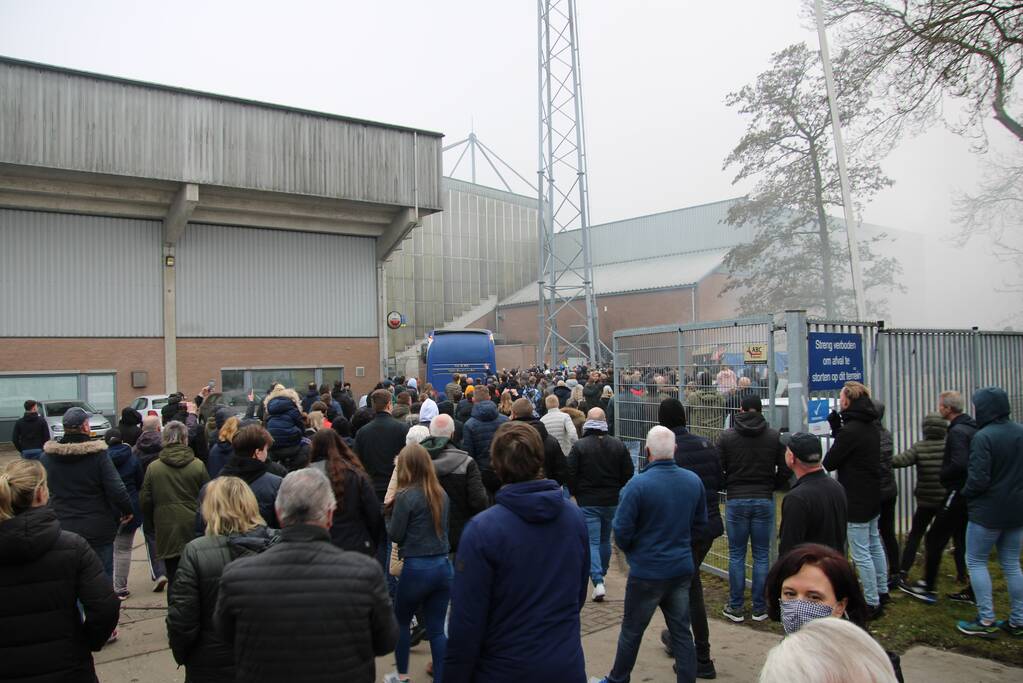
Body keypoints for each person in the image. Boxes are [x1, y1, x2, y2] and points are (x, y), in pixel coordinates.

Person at [214, 468, 398, 683]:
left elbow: (226, 635)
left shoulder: (237, 577)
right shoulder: (365, 573)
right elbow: (385, 641)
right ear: (329, 515)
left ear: (279, 513)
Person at [443, 422, 589, 682]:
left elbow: (466, 624)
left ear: (496, 466)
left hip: (503, 669)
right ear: (539, 459)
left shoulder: (482, 531)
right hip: (564, 664)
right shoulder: (574, 518)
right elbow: (577, 595)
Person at [600, 425, 709, 683]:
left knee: (632, 631)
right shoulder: (693, 481)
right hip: (680, 568)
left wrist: (634, 551)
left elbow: (621, 530)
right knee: (681, 632)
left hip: (647, 572)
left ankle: (618, 678)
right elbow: (700, 525)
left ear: (647, 451)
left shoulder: (637, 486)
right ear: (675, 449)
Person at [0, 459, 121, 682]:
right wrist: (87, 642)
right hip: (69, 666)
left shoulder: (71, 547)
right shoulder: (73, 547)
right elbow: (105, 606)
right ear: (40, 493)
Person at [167, 477, 278, 683]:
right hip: (266, 661)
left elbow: (182, 619)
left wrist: (184, 654)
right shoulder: (278, 544)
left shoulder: (195, 552)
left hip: (210, 664)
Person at [763, 544, 903, 682]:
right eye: (790, 594)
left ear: (840, 606)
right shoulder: (785, 656)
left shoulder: (869, 671)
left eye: (814, 597)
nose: (798, 606)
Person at [656, 398, 721, 677]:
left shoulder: (668, 451)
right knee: (685, 585)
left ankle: (701, 657)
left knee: (688, 590)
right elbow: (719, 481)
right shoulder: (706, 444)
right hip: (708, 526)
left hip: (682, 530)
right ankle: (678, 639)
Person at [956, 387, 1023, 637]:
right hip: (1016, 511)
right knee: (1012, 564)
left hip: (987, 513)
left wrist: (965, 493)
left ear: (986, 409)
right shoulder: (1020, 431)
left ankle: (986, 620)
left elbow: (978, 479)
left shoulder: (983, 437)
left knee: (976, 561)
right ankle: (1018, 620)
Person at [900, 390, 977, 604]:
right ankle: (969, 584)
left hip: (951, 494)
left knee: (931, 537)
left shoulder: (956, 432)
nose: (939, 408)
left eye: (941, 405)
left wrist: (944, 475)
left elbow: (959, 464)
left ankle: (925, 585)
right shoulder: (971, 428)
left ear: (948, 408)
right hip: (965, 495)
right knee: (963, 540)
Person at [717, 394, 789, 623]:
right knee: (761, 555)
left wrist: (728, 484)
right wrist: (773, 485)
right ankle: (760, 607)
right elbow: (785, 468)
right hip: (763, 498)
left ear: (740, 409)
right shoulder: (773, 436)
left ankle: (736, 605)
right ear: (760, 410)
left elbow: (718, 467)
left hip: (737, 498)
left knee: (737, 554)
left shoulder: (727, 437)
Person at [384, 444, 452, 683]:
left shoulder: (405, 496)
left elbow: (396, 534)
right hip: (442, 567)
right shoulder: (441, 494)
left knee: (402, 622)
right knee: (437, 629)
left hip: (415, 567)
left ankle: (402, 676)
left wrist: (388, 513)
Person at [41, 406, 133, 581]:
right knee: (101, 577)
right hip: (97, 526)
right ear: (84, 427)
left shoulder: (47, 458)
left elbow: (43, 493)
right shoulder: (98, 456)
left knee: (69, 578)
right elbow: (116, 488)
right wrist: (127, 510)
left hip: (62, 526)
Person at [823, 381, 888, 617]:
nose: (840, 401)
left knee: (860, 552)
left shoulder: (851, 430)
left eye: (842, 397)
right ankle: (882, 590)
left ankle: (871, 602)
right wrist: (838, 429)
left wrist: (839, 432)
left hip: (855, 496)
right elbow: (853, 451)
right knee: (874, 543)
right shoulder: (870, 425)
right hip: (872, 492)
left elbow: (831, 461)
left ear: (848, 400)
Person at [567, 407, 634, 601]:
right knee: (605, 540)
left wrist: (575, 492)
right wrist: (617, 485)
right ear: (605, 422)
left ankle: (597, 580)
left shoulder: (579, 447)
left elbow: (570, 472)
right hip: (611, 499)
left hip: (588, 500)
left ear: (587, 422)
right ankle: (602, 573)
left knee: (592, 541)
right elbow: (628, 471)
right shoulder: (618, 445)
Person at [140, 420, 210, 587]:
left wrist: (151, 524)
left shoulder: (154, 468)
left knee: (173, 577)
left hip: (166, 527)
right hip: (194, 526)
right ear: (185, 439)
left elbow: (145, 500)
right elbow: (208, 497)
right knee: (195, 577)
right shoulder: (198, 466)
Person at [890, 412, 948, 584]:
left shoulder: (920, 447)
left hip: (926, 501)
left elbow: (899, 461)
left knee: (915, 535)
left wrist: (884, 458)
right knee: (946, 537)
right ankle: (961, 573)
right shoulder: (950, 446)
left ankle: (903, 571)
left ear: (925, 429)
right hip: (946, 501)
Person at [419, 413, 488, 553]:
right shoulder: (467, 462)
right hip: (461, 536)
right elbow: (478, 501)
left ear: (430, 432)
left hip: (426, 537)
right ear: (452, 434)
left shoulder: (418, 462)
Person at [309, 428, 383, 556]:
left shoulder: (307, 477)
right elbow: (373, 512)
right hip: (355, 544)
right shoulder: (354, 475)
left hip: (320, 546)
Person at [758, 617, 898, 683]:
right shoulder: (785, 665)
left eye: (814, 597)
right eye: (789, 593)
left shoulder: (862, 656)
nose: (799, 603)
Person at [777, 433, 848, 557]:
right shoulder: (837, 487)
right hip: (834, 563)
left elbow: (789, 549)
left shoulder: (797, 498)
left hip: (808, 565)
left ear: (792, 457)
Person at [202, 425, 283, 531]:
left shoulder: (211, 487)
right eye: (266, 450)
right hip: (262, 539)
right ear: (257, 453)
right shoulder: (275, 484)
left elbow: (203, 525)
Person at [106, 429, 144, 600]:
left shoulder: (102, 460)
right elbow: (140, 483)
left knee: (108, 549)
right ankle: (120, 588)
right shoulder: (133, 458)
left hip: (109, 509)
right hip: (130, 506)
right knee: (124, 549)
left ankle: (107, 586)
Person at [133, 414, 168, 591]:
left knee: (151, 535)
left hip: (146, 496)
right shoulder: (166, 447)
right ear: (158, 428)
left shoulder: (135, 450)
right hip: (166, 494)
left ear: (142, 429)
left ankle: (159, 571)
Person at [511, 397, 569, 488]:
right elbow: (561, 470)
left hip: (516, 491)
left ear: (513, 414)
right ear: (531, 412)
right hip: (547, 490)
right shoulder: (551, 441)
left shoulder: (507, 440)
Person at [462, 387, 510, 495]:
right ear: (489, 397)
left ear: (473, 399)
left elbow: (469, 454)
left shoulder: (469, 425)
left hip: (482, 474)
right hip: (504, 470)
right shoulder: (505, 420)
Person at [874, 400, 900, 587]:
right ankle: (895, 571)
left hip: (875, 491)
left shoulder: (868, 436)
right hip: (889, 488)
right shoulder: (886, 434)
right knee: (888, 532)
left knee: (872, 536)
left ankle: (879, 575)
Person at [263, 385, 309, 471]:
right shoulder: (293, 408)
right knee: (307, 446)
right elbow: (300, 426)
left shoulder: (269, 409)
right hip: (292, 444)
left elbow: (265, 427)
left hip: (273, 444)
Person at [541, 393, 578, 458]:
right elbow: (573, 435)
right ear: (558, 403)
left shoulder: (542, 420)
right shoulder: (565, 417)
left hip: (550, 455)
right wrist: (575, 448)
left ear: (546, 406)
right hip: (565, 453)